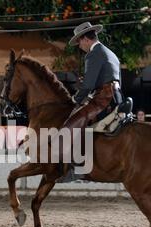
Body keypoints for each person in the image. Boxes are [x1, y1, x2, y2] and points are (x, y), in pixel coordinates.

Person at [56, 22, 125, 182]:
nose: (79, 46)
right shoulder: (111, 53)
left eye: (79, 42)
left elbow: (88, 86)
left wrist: (76, 99)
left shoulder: (93, 54)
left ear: (86, 39)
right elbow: (109, 79)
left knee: (72, 123)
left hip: (104, 98)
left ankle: (78, 169)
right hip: (116, 96)